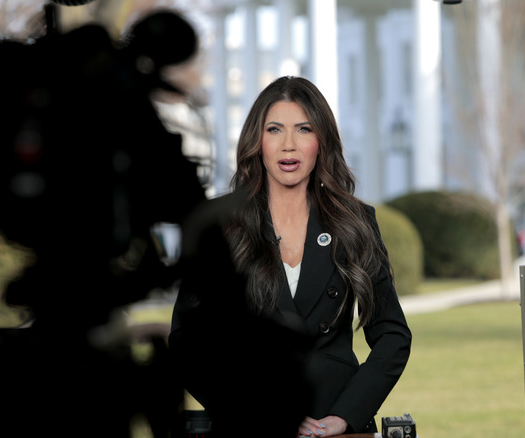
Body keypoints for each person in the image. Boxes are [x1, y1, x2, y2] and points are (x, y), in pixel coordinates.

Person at [169, 76, 412, 437]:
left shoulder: (354, 222)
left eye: (303, 129)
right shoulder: (220, 223)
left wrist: (347, 415)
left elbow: (392, 333)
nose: (288, 145)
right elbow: (187, 343)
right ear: (257, 141)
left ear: (321, 142)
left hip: (334, 422)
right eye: (274, 129)